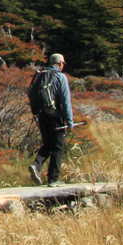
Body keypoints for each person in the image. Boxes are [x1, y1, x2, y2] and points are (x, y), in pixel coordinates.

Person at [28, 52, 74, 187]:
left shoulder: (40, 75)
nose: (63, 66)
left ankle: (36, 165)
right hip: (54, 115)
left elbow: (31, 94)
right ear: (60, 63)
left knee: (48, 143)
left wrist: (35, 114)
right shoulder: (60, 77)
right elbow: (66, 101)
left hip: (41, 115)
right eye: (63, 63)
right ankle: (53, 179)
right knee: (58, 146)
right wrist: (69, 121)